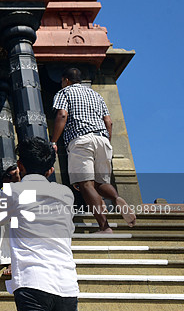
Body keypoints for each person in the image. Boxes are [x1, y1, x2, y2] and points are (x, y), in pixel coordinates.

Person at [0, 137, 78, 311]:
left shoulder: (14, 192)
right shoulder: (65, 194)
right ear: (50, 169)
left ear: (20, 166)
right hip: (66, 282)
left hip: (33, 281)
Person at [50, 67, 135, 232]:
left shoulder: (65, 92)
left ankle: (104, 227)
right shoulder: (96, 95)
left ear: (66, 80)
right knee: (99, 183)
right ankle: (117, 198)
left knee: (86, 184)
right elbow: (109, 121)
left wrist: (53, 141)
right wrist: (106, 141)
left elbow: (62, 115)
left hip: (81, 140)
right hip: (102, 139)